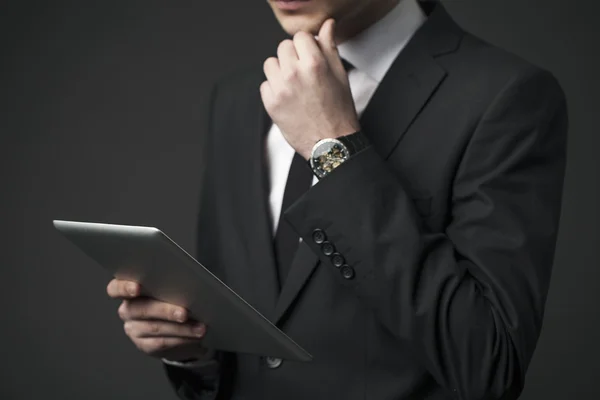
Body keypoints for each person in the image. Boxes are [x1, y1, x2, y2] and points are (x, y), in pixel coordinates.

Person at [106, 0, 568, 399]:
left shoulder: (505, 98)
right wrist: (194, 352)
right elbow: (254, 351)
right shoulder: (237, 99)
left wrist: (333, 147)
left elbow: (489, 367)